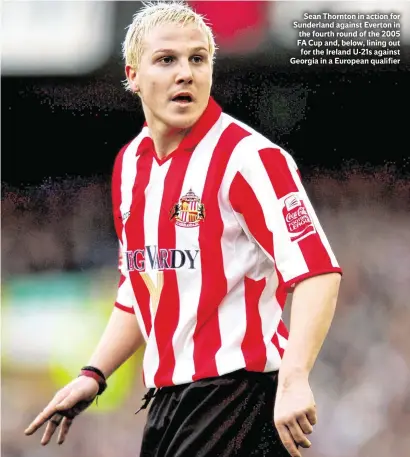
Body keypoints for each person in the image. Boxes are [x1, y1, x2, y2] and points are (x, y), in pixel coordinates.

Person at [24, 2, 342, 456]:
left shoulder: (249, 159)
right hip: (166, 405)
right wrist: (93, 375)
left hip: (238, 399)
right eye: (166, 60)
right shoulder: (129, 166)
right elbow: (139, 288)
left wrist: (294, 379)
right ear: (133, 75)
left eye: (198, 59)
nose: (186, 73)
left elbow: (317, 273)